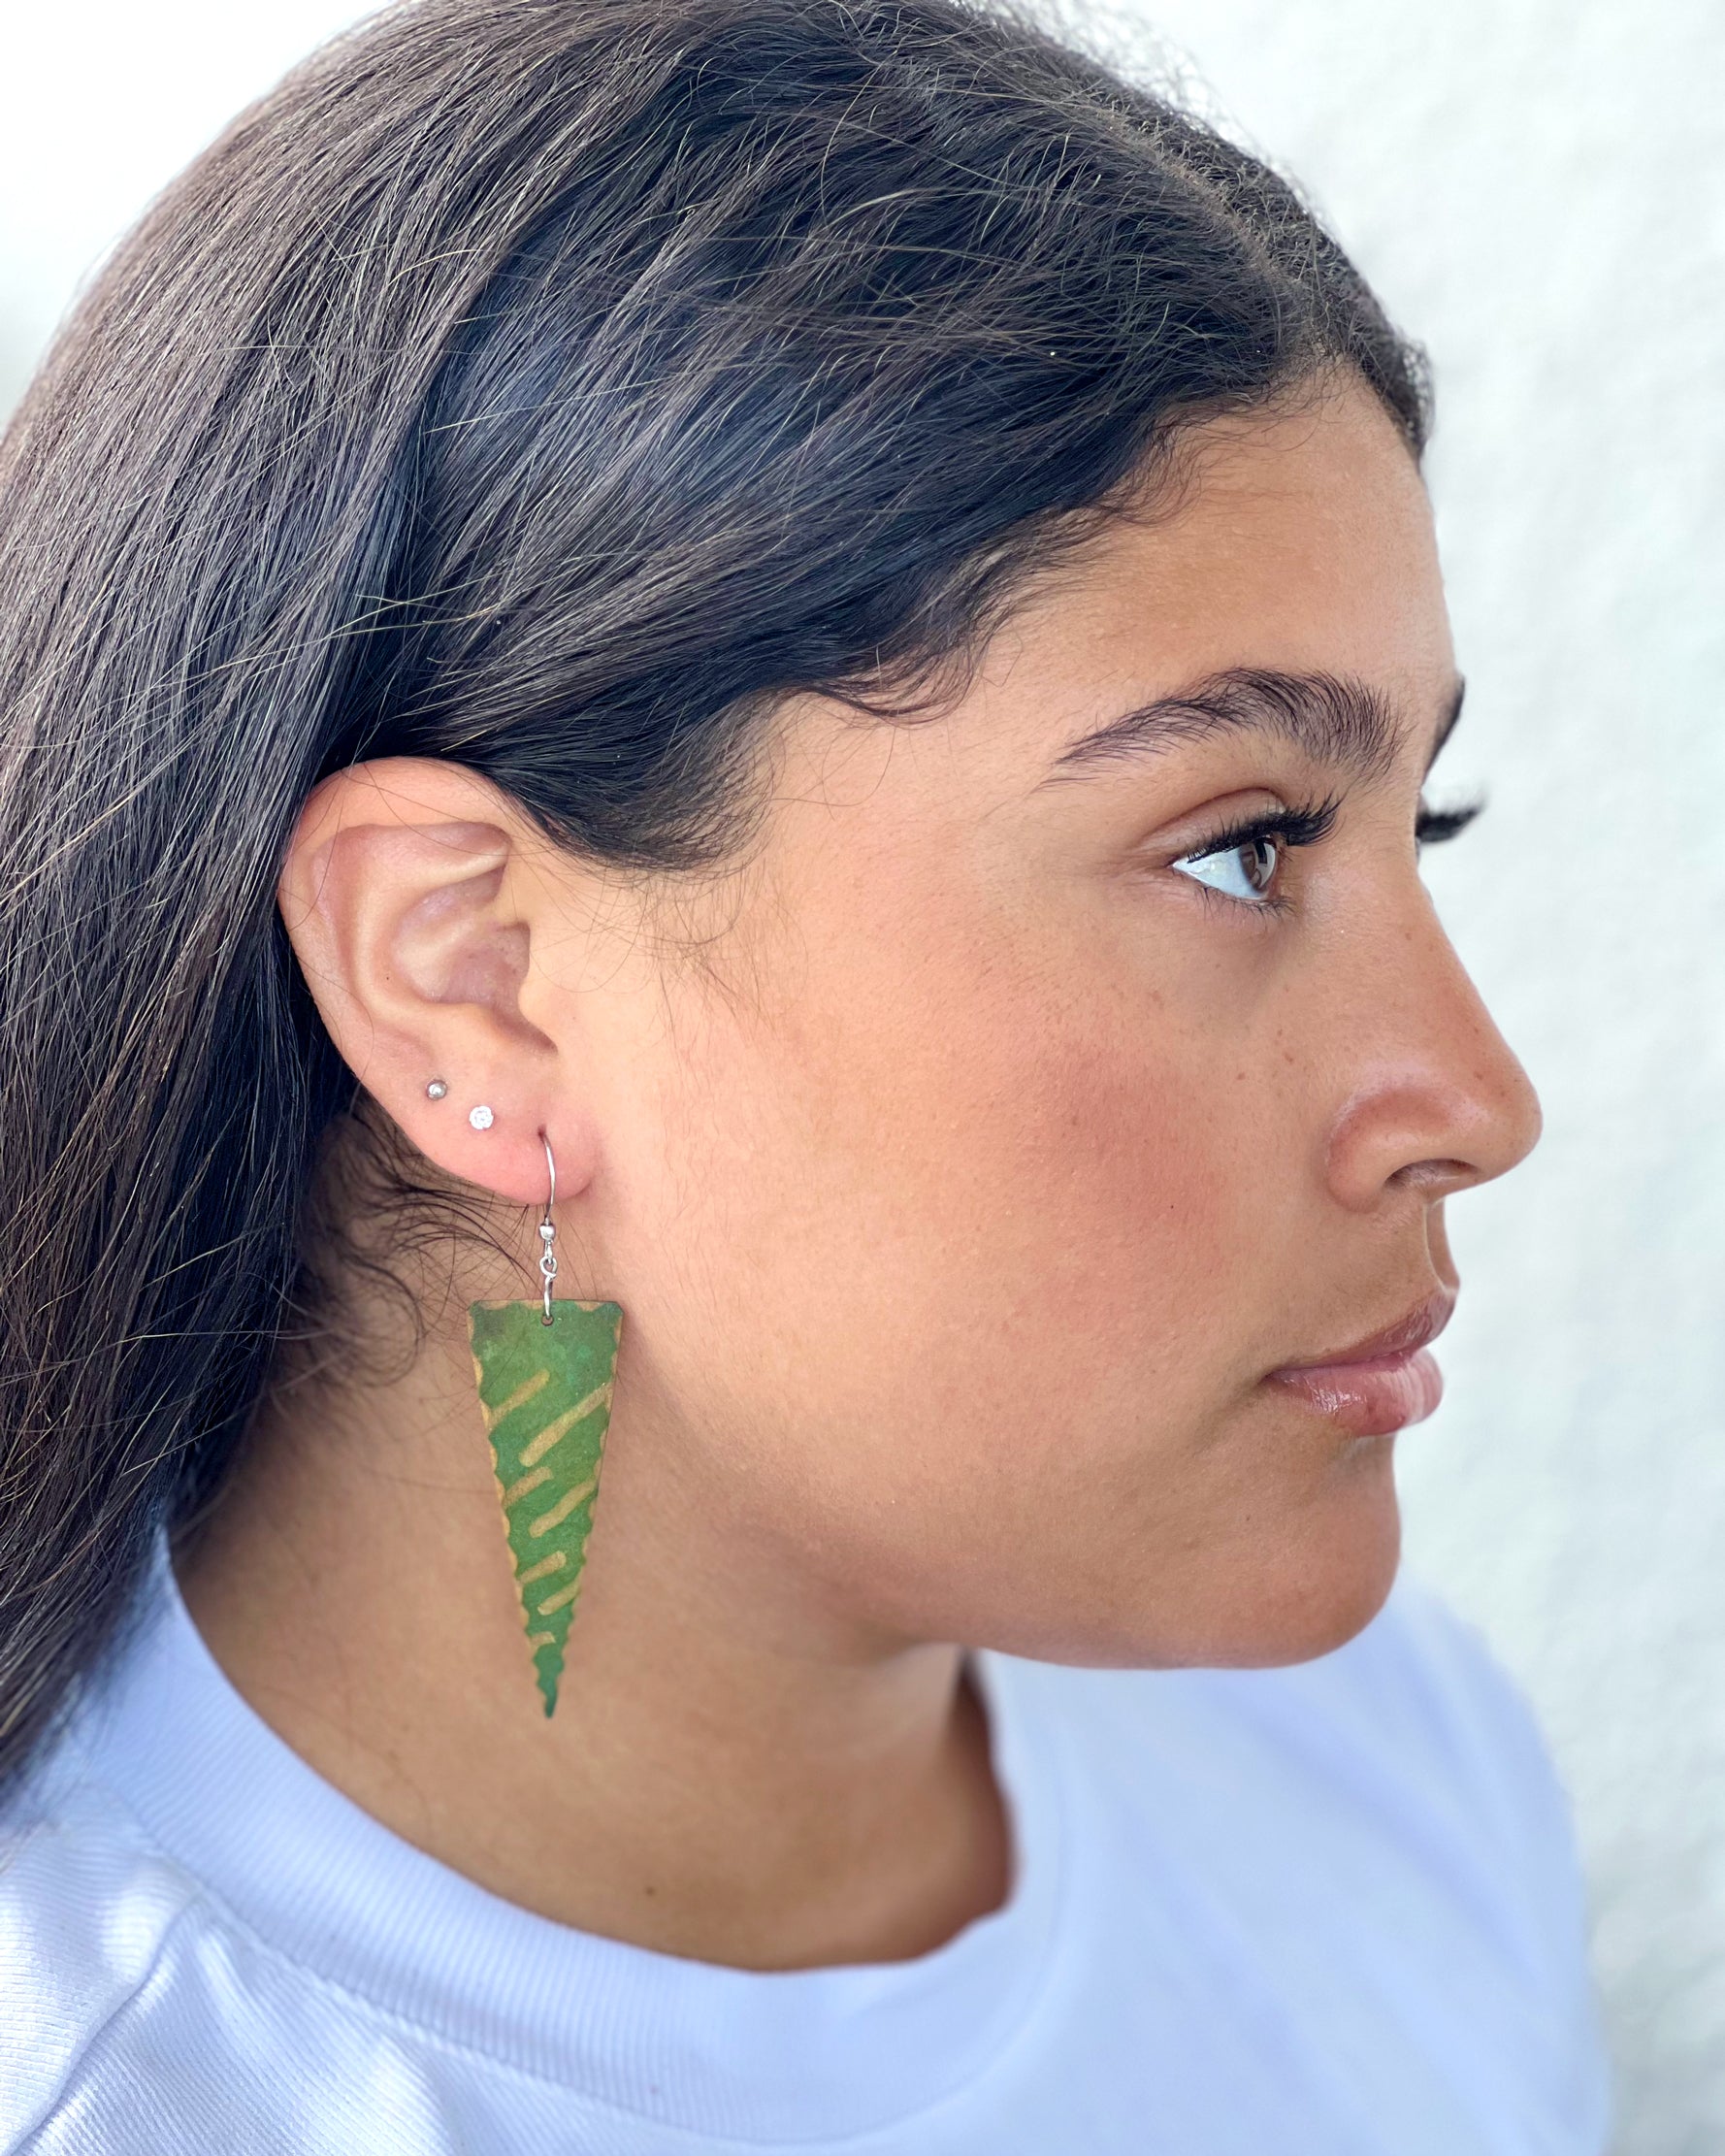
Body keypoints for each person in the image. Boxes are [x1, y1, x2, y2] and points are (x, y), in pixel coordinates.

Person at [0, 0, 1611, 2147]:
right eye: (1243, 845)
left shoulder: (1386, 1780)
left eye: (1425, 824)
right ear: (474, 979)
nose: (1475, 1098)